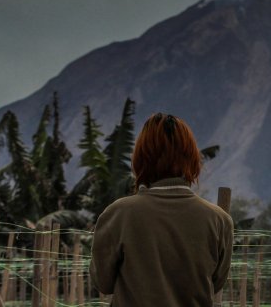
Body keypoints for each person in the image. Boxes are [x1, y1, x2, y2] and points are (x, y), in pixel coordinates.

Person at [90, 112, 233, 306]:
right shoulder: (219, 220)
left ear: (141, 158)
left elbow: (103, 282)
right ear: (191, 158)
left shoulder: (119, 214)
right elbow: (215, 283)